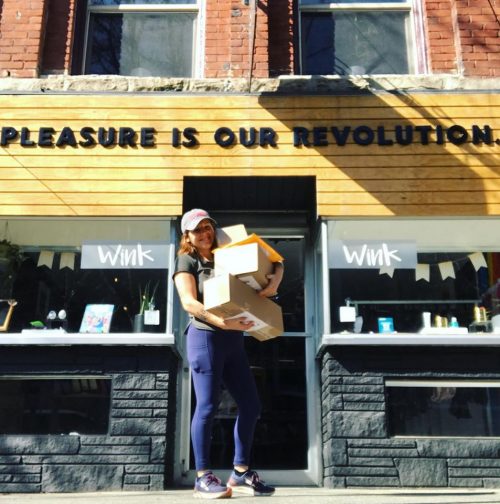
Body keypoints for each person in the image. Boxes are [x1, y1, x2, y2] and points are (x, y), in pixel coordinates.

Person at [173, 208, 284, 499]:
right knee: (207, 407)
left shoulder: (229, 252)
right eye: (197, 230)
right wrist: (223, 321)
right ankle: (202, 477)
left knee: (251, 405)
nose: (204, 234)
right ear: (188, 235)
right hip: (206, 337)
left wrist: (274, 281)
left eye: (208, 228)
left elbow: (274, 260)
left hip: (233, 340)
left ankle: (240, 472)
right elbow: (188, 302)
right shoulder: (187, 259)